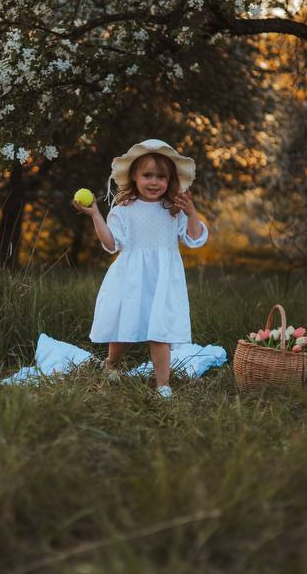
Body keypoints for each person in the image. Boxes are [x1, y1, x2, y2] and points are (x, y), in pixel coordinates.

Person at [72, 139, 209, 399]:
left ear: (170, 181)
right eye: (147, 175)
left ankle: (163, 385)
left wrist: (191, 213)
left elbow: (194, 239)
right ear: (134, 176)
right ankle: (111, 364)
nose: (154, 182)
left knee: (160, 331)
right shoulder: (124, 209)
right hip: (131, 277)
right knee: (125, 325)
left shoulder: (173, 210)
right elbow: (111, 244)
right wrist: (95, 216)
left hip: (163, 280)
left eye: (161, 176)